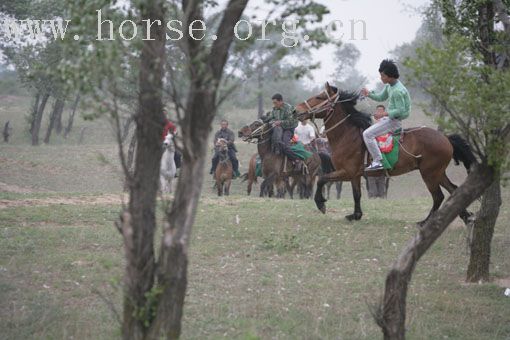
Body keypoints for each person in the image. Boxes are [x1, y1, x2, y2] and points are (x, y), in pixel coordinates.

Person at [361, 59, 411, 171]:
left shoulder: (397, 91)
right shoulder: (390, 85)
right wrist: (369, 94)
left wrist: (384, 113)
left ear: (390, 76)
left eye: (383, 76)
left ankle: (378, 160)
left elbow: (400, 110)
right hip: (389, 118)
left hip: (394, 121)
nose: (381, 78)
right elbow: (381, 97)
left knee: (367, 134)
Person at [263, 93, 299, 162]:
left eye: (275, 103)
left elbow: (292, 121)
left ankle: (296, 160)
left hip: (289, 129)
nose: (274, 105)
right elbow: (270, 117)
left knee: (284, 145)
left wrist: (280, 122)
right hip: (279, 129)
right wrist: (263, 119)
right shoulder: (275, 109)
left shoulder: (289, 108)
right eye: (273, 103)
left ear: (281, 101)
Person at [366, 105, 390, 198]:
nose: (379, 112)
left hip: (384, 140)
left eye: (381, 110)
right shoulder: (371, 120)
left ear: (384, 112)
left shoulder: (387, 120)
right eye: (378, 110)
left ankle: (381, 195)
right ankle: (372, 195)